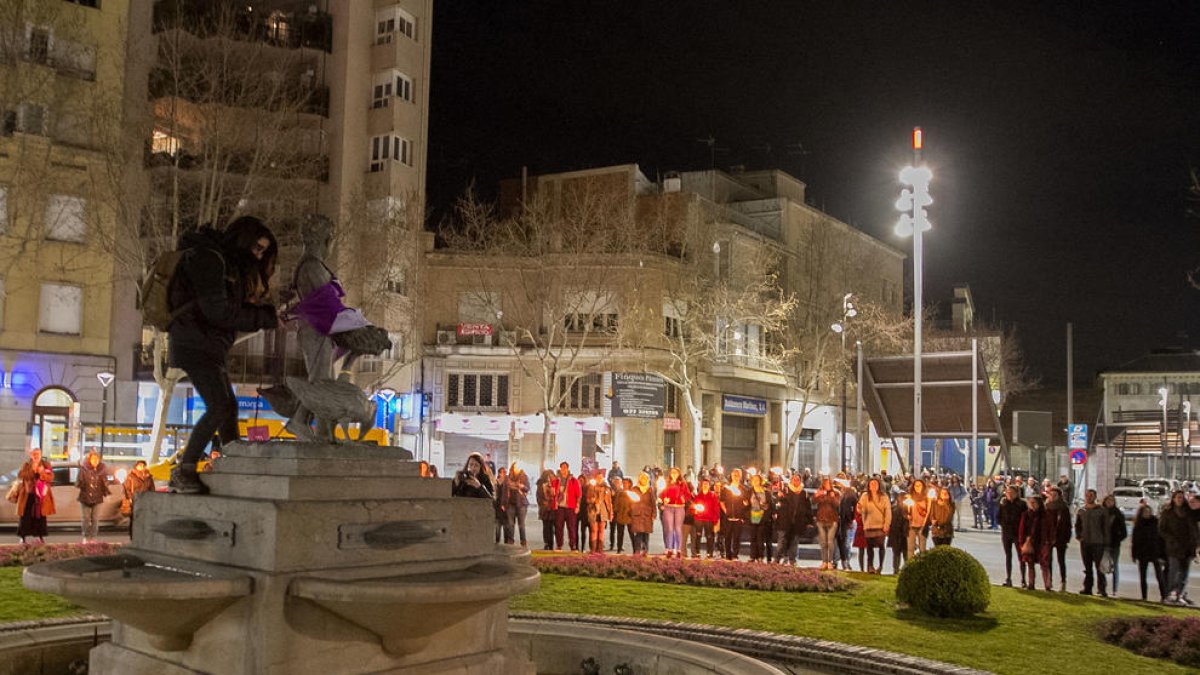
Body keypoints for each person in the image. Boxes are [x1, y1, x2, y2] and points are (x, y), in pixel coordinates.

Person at [167, 216, 279, 494]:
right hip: (194, 343)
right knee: (218, 406)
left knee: (228, 407)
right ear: (242, 239)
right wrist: (266, 318)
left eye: (264, 251)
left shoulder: (227, 265)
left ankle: (234, 463)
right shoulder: (209, 259)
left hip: (208, 345)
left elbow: (225, 310)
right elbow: (217, 311)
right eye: (256, 247)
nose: (259, 255)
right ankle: (184, 470)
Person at [1158, 490, 1198, 605]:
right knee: (1173, 571)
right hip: (1174, 547)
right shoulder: (1168, 513)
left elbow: (1194, 527)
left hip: (1188, 547)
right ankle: (1170, 594)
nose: (1180, 499)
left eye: (1181, 497)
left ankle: (1180, 594)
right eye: (1178, 497)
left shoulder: (1189, 512)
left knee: (1184, 573)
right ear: (1174, 499)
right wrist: (1171, 539)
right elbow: (1162, 529)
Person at [1075, 488, 1109, 596]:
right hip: (1085, 542)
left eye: (1091, 495)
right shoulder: (1081, 511)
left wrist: (1106, 542)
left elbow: (1105, 527)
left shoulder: (1101, 510)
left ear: (1095, 497)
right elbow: (1078, 525)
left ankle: (1102, 589)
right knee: (1087, 567)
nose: (1089, 497)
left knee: (1099, 568)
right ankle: (1087, 588)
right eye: (1087, 495)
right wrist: (1079, 536)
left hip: (1098, 542)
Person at [773, 473, 813, 566]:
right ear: (791, 481)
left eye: (798, 480)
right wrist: (779, 496)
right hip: (785, 521)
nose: (796, 481)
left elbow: (808, 508)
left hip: (797, 522)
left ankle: (792, 560)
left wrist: (809, 521)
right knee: (782, 541)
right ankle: (777, 559)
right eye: (794, 479)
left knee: (794, 542)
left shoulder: (803, 493)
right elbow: (778, 503)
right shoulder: (786, 491)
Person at [1130, 503, 1167, 602]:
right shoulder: (1138, 525)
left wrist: (1162, 554)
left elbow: (1161, 540)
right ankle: (1144, 596)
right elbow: (1134, 541)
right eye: (1145, 512)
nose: (1147, 513)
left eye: (1148, 511)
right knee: (1143, 576)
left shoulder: (1155, 523)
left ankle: (1164, 596)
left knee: (1159, 576)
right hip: (1142, 553)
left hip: (1155, 552)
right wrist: (1134, 554)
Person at [16, 450, 54, 544]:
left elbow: (50, 477)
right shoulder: (27, 465)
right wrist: (32, 470)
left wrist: (41, 473)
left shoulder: (45, 465)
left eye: (38, 454)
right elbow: (20, 475)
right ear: (31, 455)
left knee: (40, 516)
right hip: (28, 495)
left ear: (41, 455)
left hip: (40, 495)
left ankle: (40, 537)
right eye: (34, 454)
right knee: (25, 517)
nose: (36, 456)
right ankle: (23, 537)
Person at [1040, 486, 1072, 592]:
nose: (1052, 497)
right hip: (1048, 537)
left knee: (1061, 560)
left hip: (1060, 537)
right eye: (1051, 495)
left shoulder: (1063, 508)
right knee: (1048, 560)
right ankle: (1049, 581)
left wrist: (1066, 538)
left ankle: (1063, 581)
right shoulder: (1046, 507)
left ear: (1059, 496)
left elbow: (1068, 525)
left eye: (1055, 495)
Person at [75, 450, 110, 543]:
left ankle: (93, 537)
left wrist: (106, 489)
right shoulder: (84, 469)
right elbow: (78, 482)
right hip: (85, 497)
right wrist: (80, 482)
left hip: (97, 497)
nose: (95, 461)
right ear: (89, 459)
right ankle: (86, 536)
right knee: (86, 518)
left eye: (97, 459)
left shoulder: (102, 470)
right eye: (93, 459)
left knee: (95, 518)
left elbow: (105, 482)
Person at [856, 477, 890, 574]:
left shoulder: (884, 497)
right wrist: (859, 508)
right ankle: (870, 566)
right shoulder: (865, 496)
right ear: (869, 486)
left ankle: (880, 566)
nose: (873, 486)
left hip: (880, 524)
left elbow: (888, 511)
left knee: (881, 546)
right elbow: (860, 510)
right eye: (872, 484)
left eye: (875, 484)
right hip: (869, 525)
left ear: (879, 485)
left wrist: (887, 524)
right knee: (869, 547)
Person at [997, 485, 1027, 587]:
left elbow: (1025, 519)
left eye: (1011, 493)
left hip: (1018, 533)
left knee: (1021, 556)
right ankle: (1008, 578)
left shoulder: (1022, 504)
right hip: (1006, 533)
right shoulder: (1004, 503)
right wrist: (1003, 524)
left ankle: (1023, 579)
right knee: (1008, 556)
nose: (1009, 494)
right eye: (1007, 492)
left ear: (1016, 493)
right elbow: (999, 516)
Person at [658, 467, 690, 558]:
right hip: (668, 507)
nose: (674, 474)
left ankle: (678, 549)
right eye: (672, 473)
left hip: (679, 507)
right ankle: (669, 548)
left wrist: (683, 499)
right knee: (669, 529)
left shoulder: (682, 483)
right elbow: (662, 494)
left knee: (678, 528)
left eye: (676, 473)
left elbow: (687, 495)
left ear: (679, 474)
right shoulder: (667, 483)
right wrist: (663, 500)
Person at [719, 469, 749, 560]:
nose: (736, 477)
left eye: (737, 475)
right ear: (731, 476)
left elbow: (746, 503)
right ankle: (728, 554)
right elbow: (722, 502)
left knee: (737, 537)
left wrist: (745, 504)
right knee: (727, 537)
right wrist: (726, 511)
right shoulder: (726, 488)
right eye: (734, 475)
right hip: (728, 517)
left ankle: (735, 554)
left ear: (740, 477)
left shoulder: (743, 489)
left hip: (738, 517)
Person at [1101, 493, 1127, 594]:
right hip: (1102, 543)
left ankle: (1114, 590)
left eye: (1111, 500)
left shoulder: (1118, 514)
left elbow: (1123, 532)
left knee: (1114, 566)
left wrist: (1117, 539)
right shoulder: (1101, 512)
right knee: (1102, 566)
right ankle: (1102, 587)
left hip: (1114, 544)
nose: (1109, 502)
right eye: (1108, 500)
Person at [813, 478, 841, 570]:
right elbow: (813, 502)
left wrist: (832, 497)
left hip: (832, 520)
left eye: (828, 483)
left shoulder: (835, 493)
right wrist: (817, 495)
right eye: (825, 483)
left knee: (830, 541)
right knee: (823, 542)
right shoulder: (820, 492)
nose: (827, 485)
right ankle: (824, 561)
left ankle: (830, 561)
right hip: (821, 519)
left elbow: (837, 505)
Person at [1017, 495, 1045, 590]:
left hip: (1040, 541)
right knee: (1030, 563)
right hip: (1029, 541)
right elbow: (1022, 529)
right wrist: (1022, 542)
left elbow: (1047, 528)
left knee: (1044, 563)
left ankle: (1047, 584)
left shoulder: (1044, 515)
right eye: (1030, 503)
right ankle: (1031, 583)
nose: (1032, 505)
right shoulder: (1026, 514)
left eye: (1034, 503)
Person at [122, 460, 155, 537]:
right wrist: (130, 498)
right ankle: (133, 535)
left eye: (143, 466)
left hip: (145, 500)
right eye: (140, 465)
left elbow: (152, 488)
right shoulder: (131, 476)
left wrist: (151, 498)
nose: (142, 467)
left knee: (144, 519)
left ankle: (142, 535)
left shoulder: (149, 476)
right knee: (134, 518)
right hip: (135, 500)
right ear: (136, 466)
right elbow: (127, 489)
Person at [553, 462, 582, 551]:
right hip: (560, 507)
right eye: (562, 468)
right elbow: (552, 493)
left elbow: (579, 494)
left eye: (565, 468)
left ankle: (572, 545)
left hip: (570, 507)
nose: (564, 470)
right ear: (560, 469)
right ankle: (559, 545)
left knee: (571, 527)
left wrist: (577, 506)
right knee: (558, 527)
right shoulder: (556, 480)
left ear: (568, 469)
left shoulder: (573, 480)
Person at [691, 478, 721, 559]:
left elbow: (716, 508)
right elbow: (693, 507)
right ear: (701, 485)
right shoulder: (698, 496)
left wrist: (715, 519)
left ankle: (709, 553)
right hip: (699, 519)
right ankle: (697, 552)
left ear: (709, 486)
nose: (705, 486)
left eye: (706, 484)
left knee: (709, 536)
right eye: (703, 484)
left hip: (709, 519)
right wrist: (695, 512)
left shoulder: (713, 496)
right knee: (698, 535)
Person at [628, 472, 656, 556]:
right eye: (642, 478)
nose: (643, 480)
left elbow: (653, 503)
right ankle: (637, 550)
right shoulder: (634, 489)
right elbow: (630, 501)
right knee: (638, 533)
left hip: (647, 514)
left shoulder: (650, 490)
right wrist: (632, 509)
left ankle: (645, 550)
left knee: (645, 533)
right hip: (637, 514)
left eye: (645, 478)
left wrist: (654, 514)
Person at [586, 469, 613, 554]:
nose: (599, 479)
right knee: (594, 530)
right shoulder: (591, 487)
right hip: (593, 511)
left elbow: (609, 501)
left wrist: (610, 513)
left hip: (603, 511)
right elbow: (587, 499)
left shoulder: (606, 488)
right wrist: (592, 500)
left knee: (601, 530)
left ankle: (600, 549)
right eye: (598, 477)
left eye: (601, 477)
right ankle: (593, 549)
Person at [747, 473, 772, 562]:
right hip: (753, 516)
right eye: (754, 480)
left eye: (757, 480)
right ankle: (753, 556)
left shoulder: (766, 492)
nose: (755, 482)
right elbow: (747, 503)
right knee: (753, 537)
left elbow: (770, 505)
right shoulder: (750, 491)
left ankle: (760, 556)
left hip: (762, 516)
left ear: (761, 481)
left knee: (760, 537)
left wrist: (766, 515)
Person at [505, 463, 530, 547]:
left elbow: (527, 489)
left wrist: (521, 486)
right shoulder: (508, 477)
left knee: (521, 524)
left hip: (521, 503)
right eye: (515, 467)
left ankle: (523, 542)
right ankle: (510, 540)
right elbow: (505, 489)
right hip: (510, 503)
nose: (516, 468)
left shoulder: (524, 477)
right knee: (510, 523)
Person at [837, 483, 859, 570]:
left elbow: (850, 510)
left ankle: (846, 561)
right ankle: (845, 562)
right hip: (846, 522)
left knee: (846, 543)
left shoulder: (848, 497)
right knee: (845, 542)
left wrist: (850, 519)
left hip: (847, 522)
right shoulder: (846, 496)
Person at [906, 479, 930, 559]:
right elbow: (907, 510)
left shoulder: (927, 498)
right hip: (911, 525)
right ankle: (910, 566)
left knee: (922, 548)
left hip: (922, 525)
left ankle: (922, 567)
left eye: (919, 485)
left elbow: (928, 511)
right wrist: (908, 515)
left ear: (923, 486)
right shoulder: (910, 496)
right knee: (910, 548)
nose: (918, 487)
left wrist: (924, 524)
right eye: (916, 485)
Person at [888, 492, 910, 574]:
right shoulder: (894, 509)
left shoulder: (908, 509)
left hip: (904, 534)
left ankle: (906, 570)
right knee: (897, 553)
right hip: (896, 534)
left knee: (905, 553)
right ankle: (896, 570)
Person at [536, 470, 557, 550]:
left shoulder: (555, 484)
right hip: (544, 509)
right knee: (546, 527)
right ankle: (547, 543)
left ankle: (552, 543)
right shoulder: (541, 484)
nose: (549, 478)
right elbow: (538, 496)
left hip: (553, 509)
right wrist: (542, 503)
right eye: (547, 476)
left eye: (551, 476)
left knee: (552, 527)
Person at [613, 477, 634, 554]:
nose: (624, 484)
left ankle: (635, 550)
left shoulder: (632, 492)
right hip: (620, 515)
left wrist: (631, 511)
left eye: (626, 483)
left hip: (629, 516)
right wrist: (617, 511)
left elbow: (635, 503)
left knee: (632, 533)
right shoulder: (620, 492)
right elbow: (616, 504)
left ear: (629, 484)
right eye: (623, 483)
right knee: (620, 534)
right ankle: (619, 549)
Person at [493, 467, 509, 543]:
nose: (503, 474)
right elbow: (494, 494)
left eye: (504, 472)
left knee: (506, 525)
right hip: (497, 506)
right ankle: (497, 541)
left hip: (505, 506)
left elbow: (507, 495)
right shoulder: (495, 482)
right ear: (499, 473)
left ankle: (506, 541)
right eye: (502, 472)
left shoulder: (507, 482)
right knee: (498, 525)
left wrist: (504, 505)